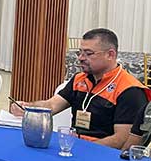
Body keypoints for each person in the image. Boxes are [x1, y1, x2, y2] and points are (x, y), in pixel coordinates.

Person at [10, 29, 150, 149]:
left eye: (88, 53)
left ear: (110, 55)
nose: (81, 58)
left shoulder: (130, 90)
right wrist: (28, 107)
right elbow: (52, 105)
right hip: (74, 146)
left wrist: (82, 149)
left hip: (100, 154)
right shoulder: (80, 79)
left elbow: (122, 140)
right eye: (80, 52)